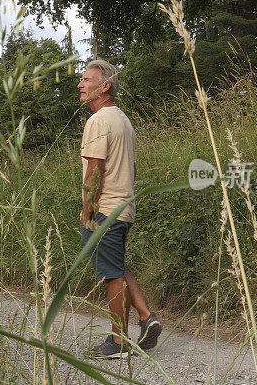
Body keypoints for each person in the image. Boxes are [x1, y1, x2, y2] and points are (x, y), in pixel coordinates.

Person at [78, 59, 161, 359]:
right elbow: (132, 168)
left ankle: (119, 342)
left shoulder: (98, 121)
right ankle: (145, 316)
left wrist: (88, 210)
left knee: (112, 275)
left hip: (106, 209)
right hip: (125, 206)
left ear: (105, 87)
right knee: (116, 266)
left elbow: (95, 170)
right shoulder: (123, 120)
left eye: (87, 80)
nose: (80, 84)